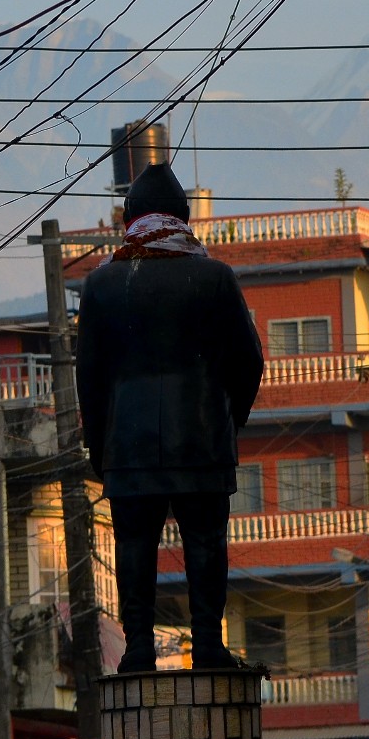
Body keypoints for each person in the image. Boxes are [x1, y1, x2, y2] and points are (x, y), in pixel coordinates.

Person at [77, 161, 264, 672]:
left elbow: (88, 377)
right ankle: (207, 643)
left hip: (128, 446)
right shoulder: (216, 278)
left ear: (128, 217)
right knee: (206, 542)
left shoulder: (102, 286)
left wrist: (99, 444)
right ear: (186, 217)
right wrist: (230, 418)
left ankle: (138, 647)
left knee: (133, 544)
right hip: (202, 439)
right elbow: (249, 361)